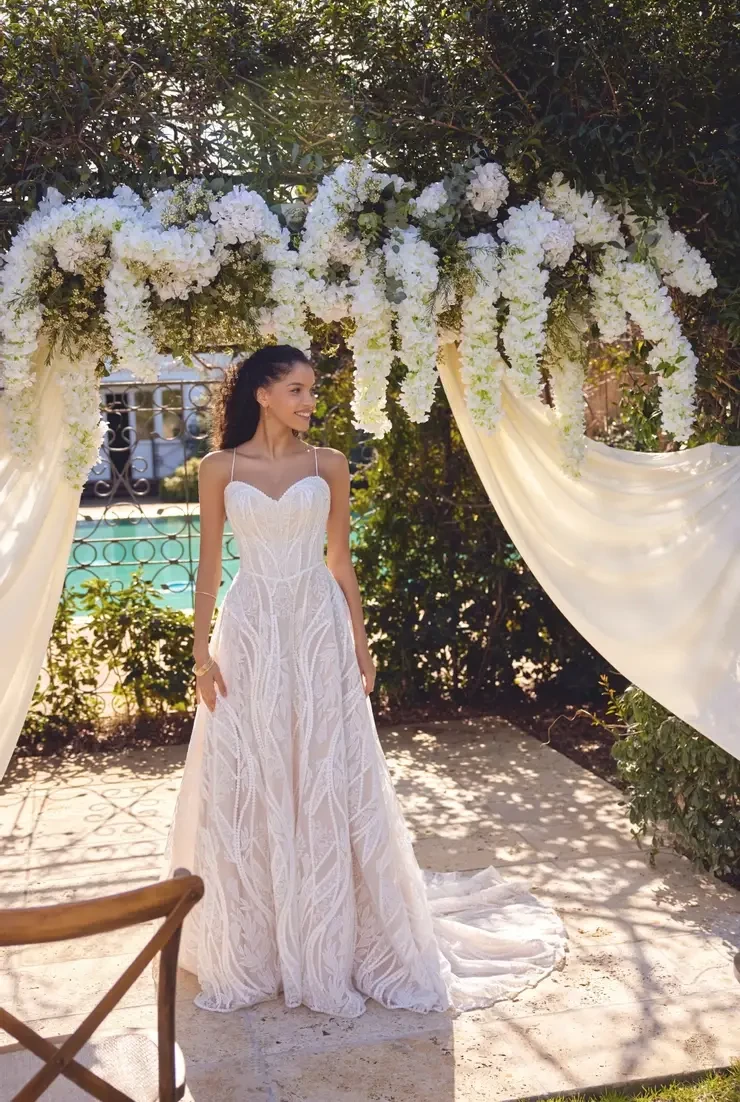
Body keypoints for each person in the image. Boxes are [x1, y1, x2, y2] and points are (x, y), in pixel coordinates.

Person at [164, 343, 567, 1018]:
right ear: (261, 393)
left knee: (326, 767)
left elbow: (340, 559)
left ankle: (330, 938)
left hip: (317, 628)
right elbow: (208, 569)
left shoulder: (328, 464)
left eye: (311, 391)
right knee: (248, 770)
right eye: (295, 389)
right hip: (254, 629)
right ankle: (258, 942)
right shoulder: (218, 468)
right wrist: (201, 656)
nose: (308, 402)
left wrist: (360, 642)